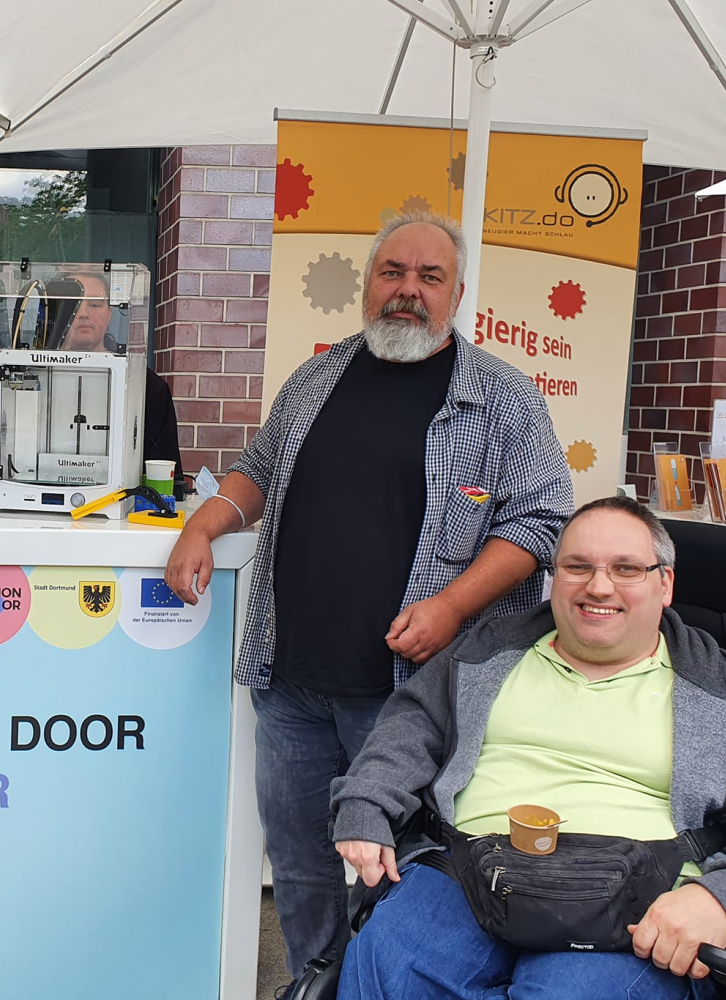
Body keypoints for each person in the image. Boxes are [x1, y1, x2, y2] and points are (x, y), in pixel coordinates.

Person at [162, 211, 574, 984]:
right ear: (367, 283)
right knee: (300, 859)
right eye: (392, 273)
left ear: (458, 293)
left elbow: (542, 520)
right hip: (290, 683)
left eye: (429, 277)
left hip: (412, 694)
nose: (407, 291)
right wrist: (202, 527)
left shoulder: (504, 397)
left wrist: (450, 606)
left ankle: (379, 982)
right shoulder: (317, 377)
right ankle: (316, 976)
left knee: (406, 863)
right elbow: (258, 467)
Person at [332, 496, 726, 999]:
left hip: (641, 895)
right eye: (577, 566)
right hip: (464, 872)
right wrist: (367, 798)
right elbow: (411, 722)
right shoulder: (488, 651)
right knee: (391, 967)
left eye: (626, 569)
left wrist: (724, 897)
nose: (598, 586)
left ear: (664, 584)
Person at [57, 269, 184, 486]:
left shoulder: (146, 386)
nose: (83, 313)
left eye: (95, 304)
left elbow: (165, 469)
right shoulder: (30, 378)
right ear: (56, 314)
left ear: (109, 315)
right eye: (74, 304)